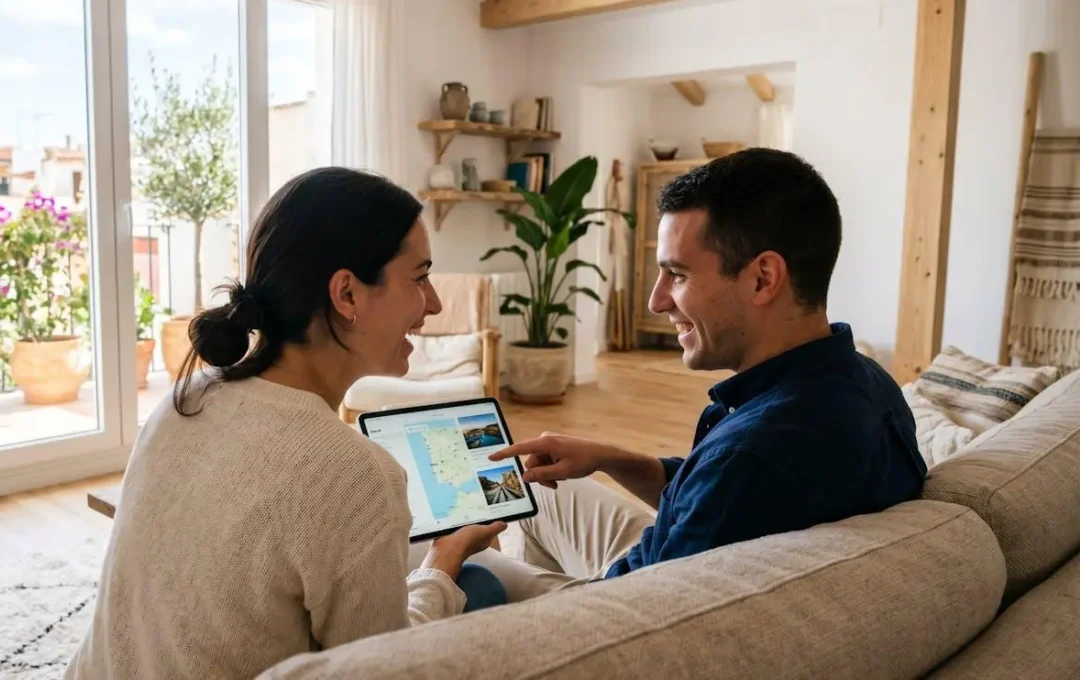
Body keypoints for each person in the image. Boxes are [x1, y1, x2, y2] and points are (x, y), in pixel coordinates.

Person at [64, 167, 508, 680]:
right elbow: (380, 669)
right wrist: (442, 565)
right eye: (420, 276)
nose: (433, 302)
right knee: (482, 586)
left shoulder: (187, 397)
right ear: (347, 295)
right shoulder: (355, 474)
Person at [458, 148, 928, 601]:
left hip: (620, 603)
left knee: (469, 562)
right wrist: (609, 457)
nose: (656, 301)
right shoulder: (865, 380)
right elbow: (713, 497)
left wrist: (443, 567)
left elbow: (626, 615)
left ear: (763, 277)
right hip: (672, 561)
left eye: (677, 275)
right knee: (541, 495)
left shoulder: (752, 455)